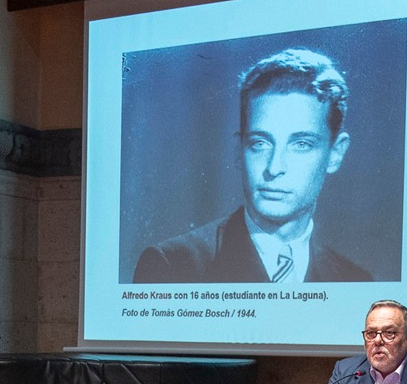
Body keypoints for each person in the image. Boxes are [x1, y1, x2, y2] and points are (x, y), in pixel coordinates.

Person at [134, 48, 372, 284]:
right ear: (240, 150)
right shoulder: (172, 265)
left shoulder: (356, 280)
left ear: (335, 154)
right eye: (260, 143)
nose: (274, 167)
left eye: (301, 144)